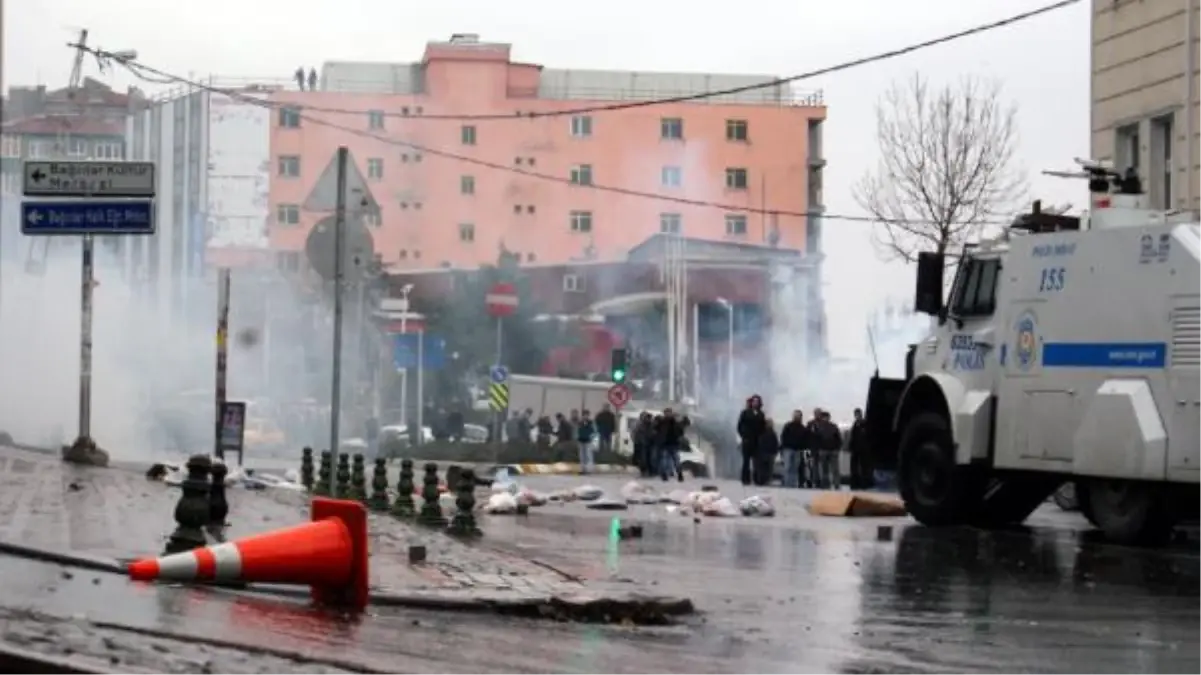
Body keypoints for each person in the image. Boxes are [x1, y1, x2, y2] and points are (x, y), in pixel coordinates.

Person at [736, 395, 767, 486]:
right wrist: (743, 435)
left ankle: (757, 479)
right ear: (751, 403)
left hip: (756, 441)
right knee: (746, 461)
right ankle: (745, 479)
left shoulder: (761, 414)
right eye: (754, 401)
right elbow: (740, 426)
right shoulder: (745, 413)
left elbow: (763, 427)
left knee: (756, 462)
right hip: (747, 440)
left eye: (757, 401)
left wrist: (760, 436)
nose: (755, 403)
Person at [779, 410, 809, 489]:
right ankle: (786, 483)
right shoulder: (788, 426)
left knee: (795, 468)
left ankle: (792, 484)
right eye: (795, 415)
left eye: (798, 415)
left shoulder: (803, 428)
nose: (797, 417)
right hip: (788, 449)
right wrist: (784, 446)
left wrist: (803, 447)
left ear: (801, 417)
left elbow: (805, 439)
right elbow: (783, 436)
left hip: (798, 450)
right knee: (787, 467)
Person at [657, 408, 688, 482]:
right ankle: (665, 475)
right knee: (665, 460)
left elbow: (682, 429)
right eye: (666, 413)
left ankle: (679, 474)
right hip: (666, 444)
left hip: (673, 444)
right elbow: (657, 429)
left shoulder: (673, 422)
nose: (667, 414)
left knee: (675, 461)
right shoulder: (663, 422)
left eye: (668, 413)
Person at [815, 411, 843, 489]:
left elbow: (838, 439)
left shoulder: (833, 426)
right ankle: (825, 484)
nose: (825, 419)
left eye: (827, 417)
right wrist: (819, 448)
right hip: (823, 450)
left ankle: (836, 484)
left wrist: (837, 448)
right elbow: (817, 439)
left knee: (835, 469)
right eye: (824, 417)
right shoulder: (819, 427)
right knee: (824, 469)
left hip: (833, 450)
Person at [848, 408, 871, 489]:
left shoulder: (865, 424)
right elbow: (853, 437)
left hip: (863, 449)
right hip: (856, 449)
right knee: (854, 467)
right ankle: (855, 484)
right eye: (856, 415)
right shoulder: (855, 424)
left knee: (864, 467)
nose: (857, 416)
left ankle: (864, 484)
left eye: (858, 414)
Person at [755, 418, 779, 486]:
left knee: (769, 468)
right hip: (764, 452)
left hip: (770, 452)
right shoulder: (762, 432)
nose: (771, 425)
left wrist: (775, 450)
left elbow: (775, 442)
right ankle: (762, 480)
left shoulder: (772, 433)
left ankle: (767, 480)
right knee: (764, 468)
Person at [576, 410, 597, 474]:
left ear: (588, 415)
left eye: (586, 415)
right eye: (584, 415)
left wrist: (591, 437)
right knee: (582, 455)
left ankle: (589, 469)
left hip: (588, 440)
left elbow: (594, 431)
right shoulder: (580, 422)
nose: (585, 416)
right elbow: (577, 430)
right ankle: (583, 469)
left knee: (588, 455)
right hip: (581, 440)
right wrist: (577, 437)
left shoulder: (591, 422)